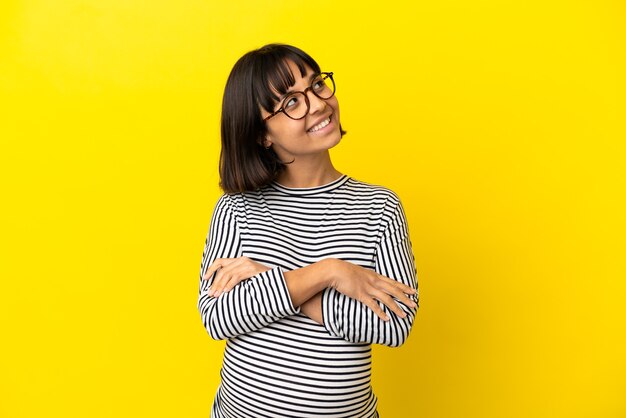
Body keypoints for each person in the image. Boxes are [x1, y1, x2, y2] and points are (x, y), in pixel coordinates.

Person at [197, 43, 419, 418]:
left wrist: (269, 279)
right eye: (290, 103)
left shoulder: (378, 209)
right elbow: (219, 316)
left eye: (316, 85)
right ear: (261, 134)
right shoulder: (238, 210)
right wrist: (328, 272)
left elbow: (394, 324)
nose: (317, 104)